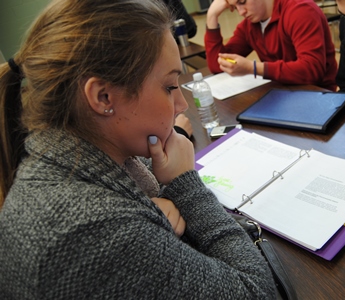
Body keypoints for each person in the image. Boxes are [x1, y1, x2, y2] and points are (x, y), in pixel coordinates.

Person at [0, 0, 276, 298]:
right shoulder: (93, 233)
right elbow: (257, 291)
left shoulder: (64, 155)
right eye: (170, 87)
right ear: (103, 97)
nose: (182, 104)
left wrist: (151, 207)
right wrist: (186, 185)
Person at [204, 0, 338, 91]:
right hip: (282, 93)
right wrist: (212, 16)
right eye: (234, 7)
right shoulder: (250, 25)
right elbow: (218, 65)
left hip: (316, 94)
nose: (241, 12)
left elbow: (311, 70)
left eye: (242, 2)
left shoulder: (300, 10)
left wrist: (254, 68)